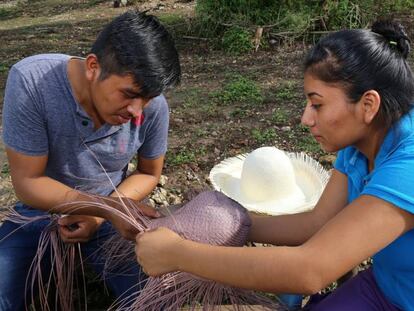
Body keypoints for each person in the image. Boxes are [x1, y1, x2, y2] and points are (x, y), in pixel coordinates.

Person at [135, 20, 414, 310]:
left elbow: (309, 270)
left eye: (317, 105)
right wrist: (219, 223)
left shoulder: (408, 166)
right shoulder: (362, 143)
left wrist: (178, 255)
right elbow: (317, 223)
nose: (306, 119)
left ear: (368, 105)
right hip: (385, 286)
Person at [0, 10, 180, 310]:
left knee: (153, 297)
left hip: (113, 208)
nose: (137, 111)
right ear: (93, 67)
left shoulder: (153, 107)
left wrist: (101, 215)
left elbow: (148, 172)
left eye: (146, 99)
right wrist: (103, 209)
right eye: (129, 94)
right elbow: (28, 182)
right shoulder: (33, 81)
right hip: (41, 210)